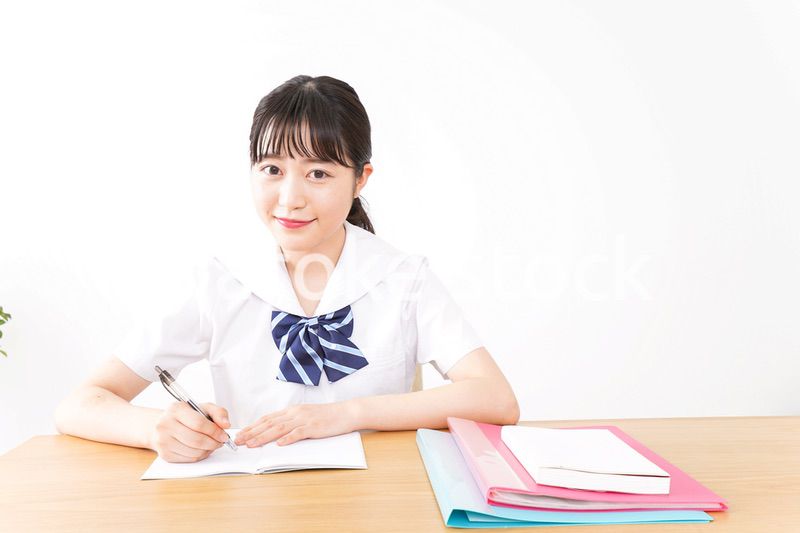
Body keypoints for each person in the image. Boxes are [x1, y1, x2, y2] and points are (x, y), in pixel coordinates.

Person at [54, 75, 520, 463]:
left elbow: (496, 399)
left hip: (379, 500)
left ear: (361, 179)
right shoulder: (220, 279)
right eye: (272, 170)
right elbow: (79, 405)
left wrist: (346, 413)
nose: (290, 198)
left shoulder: (402, 277)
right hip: (257, 505)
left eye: (318, 173)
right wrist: (157, 428)